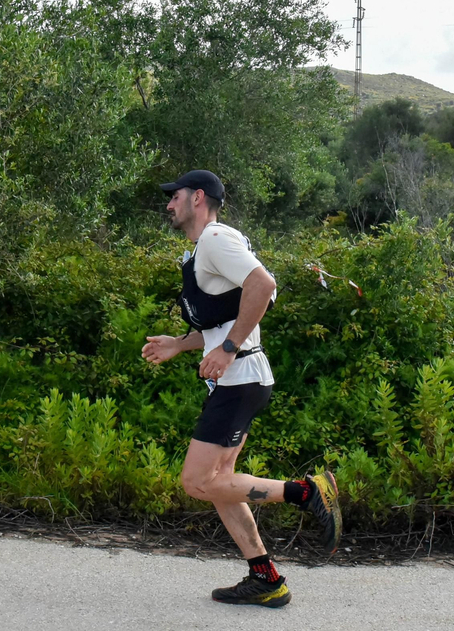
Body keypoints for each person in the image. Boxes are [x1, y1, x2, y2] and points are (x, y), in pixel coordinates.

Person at [142, 169, 342, 608]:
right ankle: (266, 578)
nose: (168, 204)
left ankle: (306, 492)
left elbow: (264, 286)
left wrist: (229, 350)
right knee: (220, 484)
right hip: (241, 380)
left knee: (197, 482)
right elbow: (226, 317)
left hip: (240, 378)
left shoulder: (214, 239)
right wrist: (181, 343)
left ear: (198, 197)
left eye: (173, 196)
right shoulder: (206, 249)